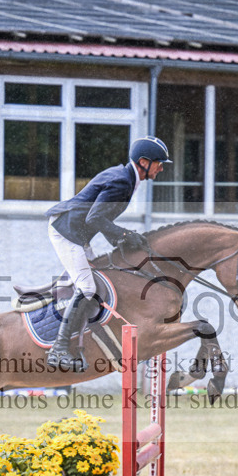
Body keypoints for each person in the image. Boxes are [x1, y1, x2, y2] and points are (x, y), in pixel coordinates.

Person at [44, 136, 172, 372]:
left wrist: (122, 238)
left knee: (101, 281)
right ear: (144, 162)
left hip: (78, 231)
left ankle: (83, 340)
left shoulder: (127, 178)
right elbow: (95, 218)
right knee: (88, 289)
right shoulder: (122, 181)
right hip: (66, 231)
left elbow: (99, 219)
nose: (161, 167)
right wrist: (124, 236)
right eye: (159, 162)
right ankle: (59, 349)